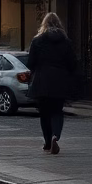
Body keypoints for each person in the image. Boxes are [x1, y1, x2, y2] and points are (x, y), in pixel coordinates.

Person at [26, 12, 77, 155]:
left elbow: (30, 63)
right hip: (60, 81)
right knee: (57, 111)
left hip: (42, 81)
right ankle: (56, 135)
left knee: (44, 114)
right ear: (59, 24)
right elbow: (72, 64)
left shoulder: (37, 41)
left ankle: (47, 142)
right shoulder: (66, 42)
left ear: (44, 24)